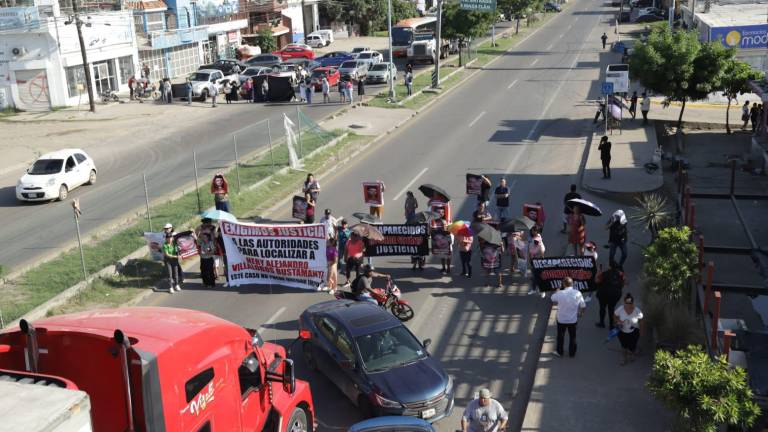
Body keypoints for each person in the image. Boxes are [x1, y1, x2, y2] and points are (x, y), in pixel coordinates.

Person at [551, 277, 586, 358]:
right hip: (573, 320)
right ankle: (572, 353)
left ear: (563, 284)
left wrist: (557, 290)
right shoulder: (577, 293)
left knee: (560, 336)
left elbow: (552, 298)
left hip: (561, 320)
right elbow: (583, 305)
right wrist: (581, 313)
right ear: (572, 283)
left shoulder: (560, 293)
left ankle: (560, 352)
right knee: (573, 337)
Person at [614, 293, 643, 365]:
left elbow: (641, 320)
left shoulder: (637, 311)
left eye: (630, 303)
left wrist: (641, 330)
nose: (628, 305)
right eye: (627, 303)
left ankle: (632, 354)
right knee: (623, 346)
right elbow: (614, 316)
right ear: (624, 302)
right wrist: (618, 321)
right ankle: (624, 359)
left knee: (632, 346)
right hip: (622, 332)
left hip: (634, 332)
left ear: (632, 303)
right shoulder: (620, 309)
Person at [596, 260, 624, 328]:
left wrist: (599, 271)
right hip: (615, 294)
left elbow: (597, 281)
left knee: (602, 307)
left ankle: (602, 323)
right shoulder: (620, 273)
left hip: (604, 294)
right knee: (611, 308)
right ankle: (611, 325)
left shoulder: (604, 273)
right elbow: (623, 282)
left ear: (610, 266)